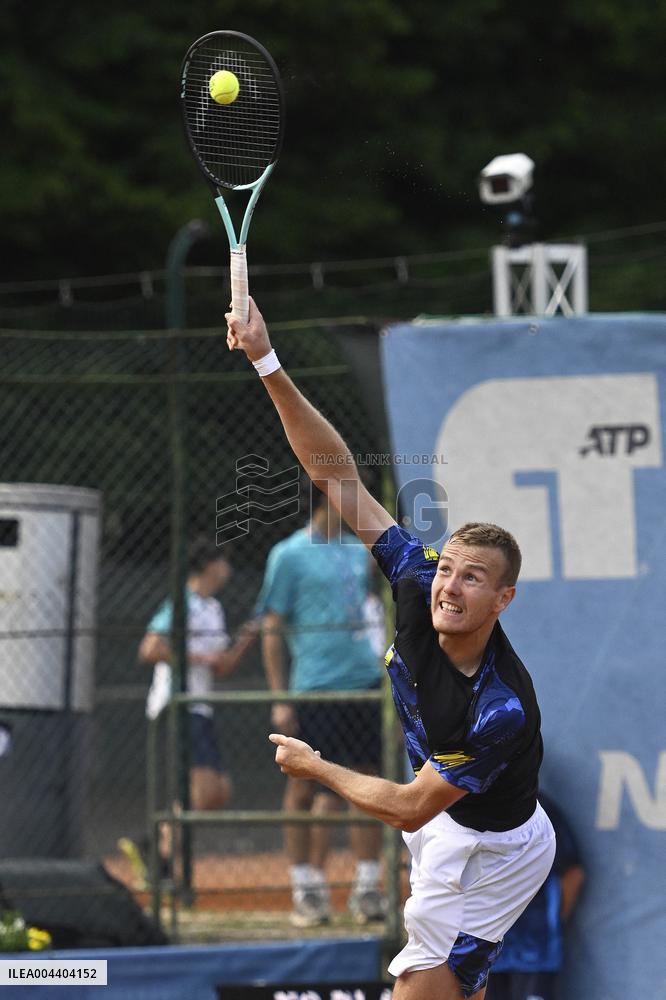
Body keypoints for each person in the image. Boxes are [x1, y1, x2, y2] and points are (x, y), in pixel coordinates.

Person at [226, 299, 556, 1000]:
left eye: (474, 577)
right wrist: (266, 360)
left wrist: (316, 768)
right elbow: (337, 475)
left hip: (492, 852)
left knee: (416, 992)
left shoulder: (499, 709)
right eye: (448, 567)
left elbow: (410, 808)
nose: (450, 584)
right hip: (442, 822)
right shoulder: (413, 573)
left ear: (504, 600)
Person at [257, 490, 387, 927]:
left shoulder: (358, 550)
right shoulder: (288, 554)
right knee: (304, 788)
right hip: (315, 688)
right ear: (327, 496)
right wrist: (280, 699)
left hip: (364, 685)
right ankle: (306, 889)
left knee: (367, 785)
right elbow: (272, 628)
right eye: (349, 493)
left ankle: (367, 888)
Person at [138, 537, 257, 867]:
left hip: (201, 707)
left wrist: (245, 640)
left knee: (219, 793)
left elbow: (221, 667)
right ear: (209, 565)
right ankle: (162, 858)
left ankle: (157, 842)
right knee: (204, 791)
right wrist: (200, 656)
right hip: (177, 704)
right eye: (223, 561)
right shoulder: (183, 602)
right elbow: (149, 649)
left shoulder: (213, 608)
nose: (228, 569)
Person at [485, 792, 585, 1000]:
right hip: (480, 954)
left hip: (535, 953)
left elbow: (573, 875)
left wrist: (550, 926)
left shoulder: (540, 811)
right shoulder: (462, 807)